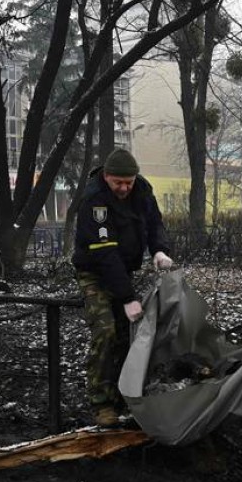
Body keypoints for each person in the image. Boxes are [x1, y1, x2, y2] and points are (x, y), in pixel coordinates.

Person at [71, 147, 174, 427]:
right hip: (94, 272)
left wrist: (159, 251)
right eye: (118, 182)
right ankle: (102, 403)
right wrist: (128, 297)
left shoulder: (141, 190)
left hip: (124, 271)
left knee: (128, 334)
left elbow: (155, 223)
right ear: (106, 177)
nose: (124, 188)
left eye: (128, 182)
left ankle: (124, 397)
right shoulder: (95, 201)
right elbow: (105, 253)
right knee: (105, 331)